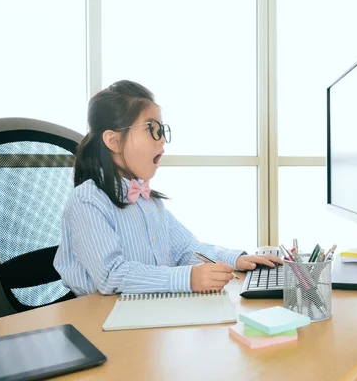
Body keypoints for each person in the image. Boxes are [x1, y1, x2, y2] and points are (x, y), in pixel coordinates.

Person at [53, 80, 282, 296]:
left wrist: (235, 259)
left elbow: (185, 249)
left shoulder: (149, 201)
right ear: (114, 141)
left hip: (145, 312)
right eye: (153, 129)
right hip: (98, 317)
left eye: (163, 131)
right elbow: (111, 275)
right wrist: (187, 279)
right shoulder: (87, 200)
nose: (162, 140)